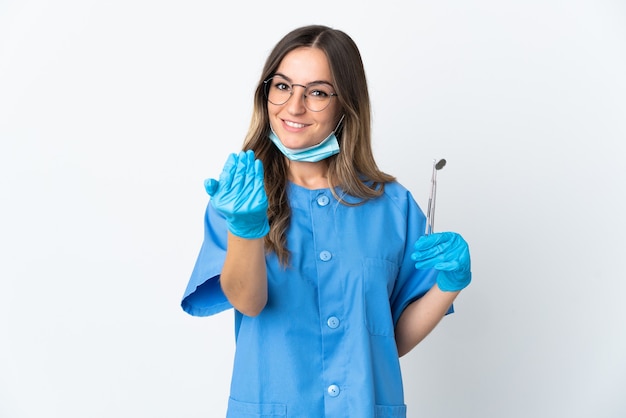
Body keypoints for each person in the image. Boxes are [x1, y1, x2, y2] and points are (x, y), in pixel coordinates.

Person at [181, 24, 471, 418]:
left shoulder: (392, 206)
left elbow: (391, 339)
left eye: (317, 92)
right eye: (282, 86)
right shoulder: (240, 197)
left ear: (345, 105)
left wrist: (449, 284)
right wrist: (246, 229)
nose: (294, 106)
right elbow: (248, 301)